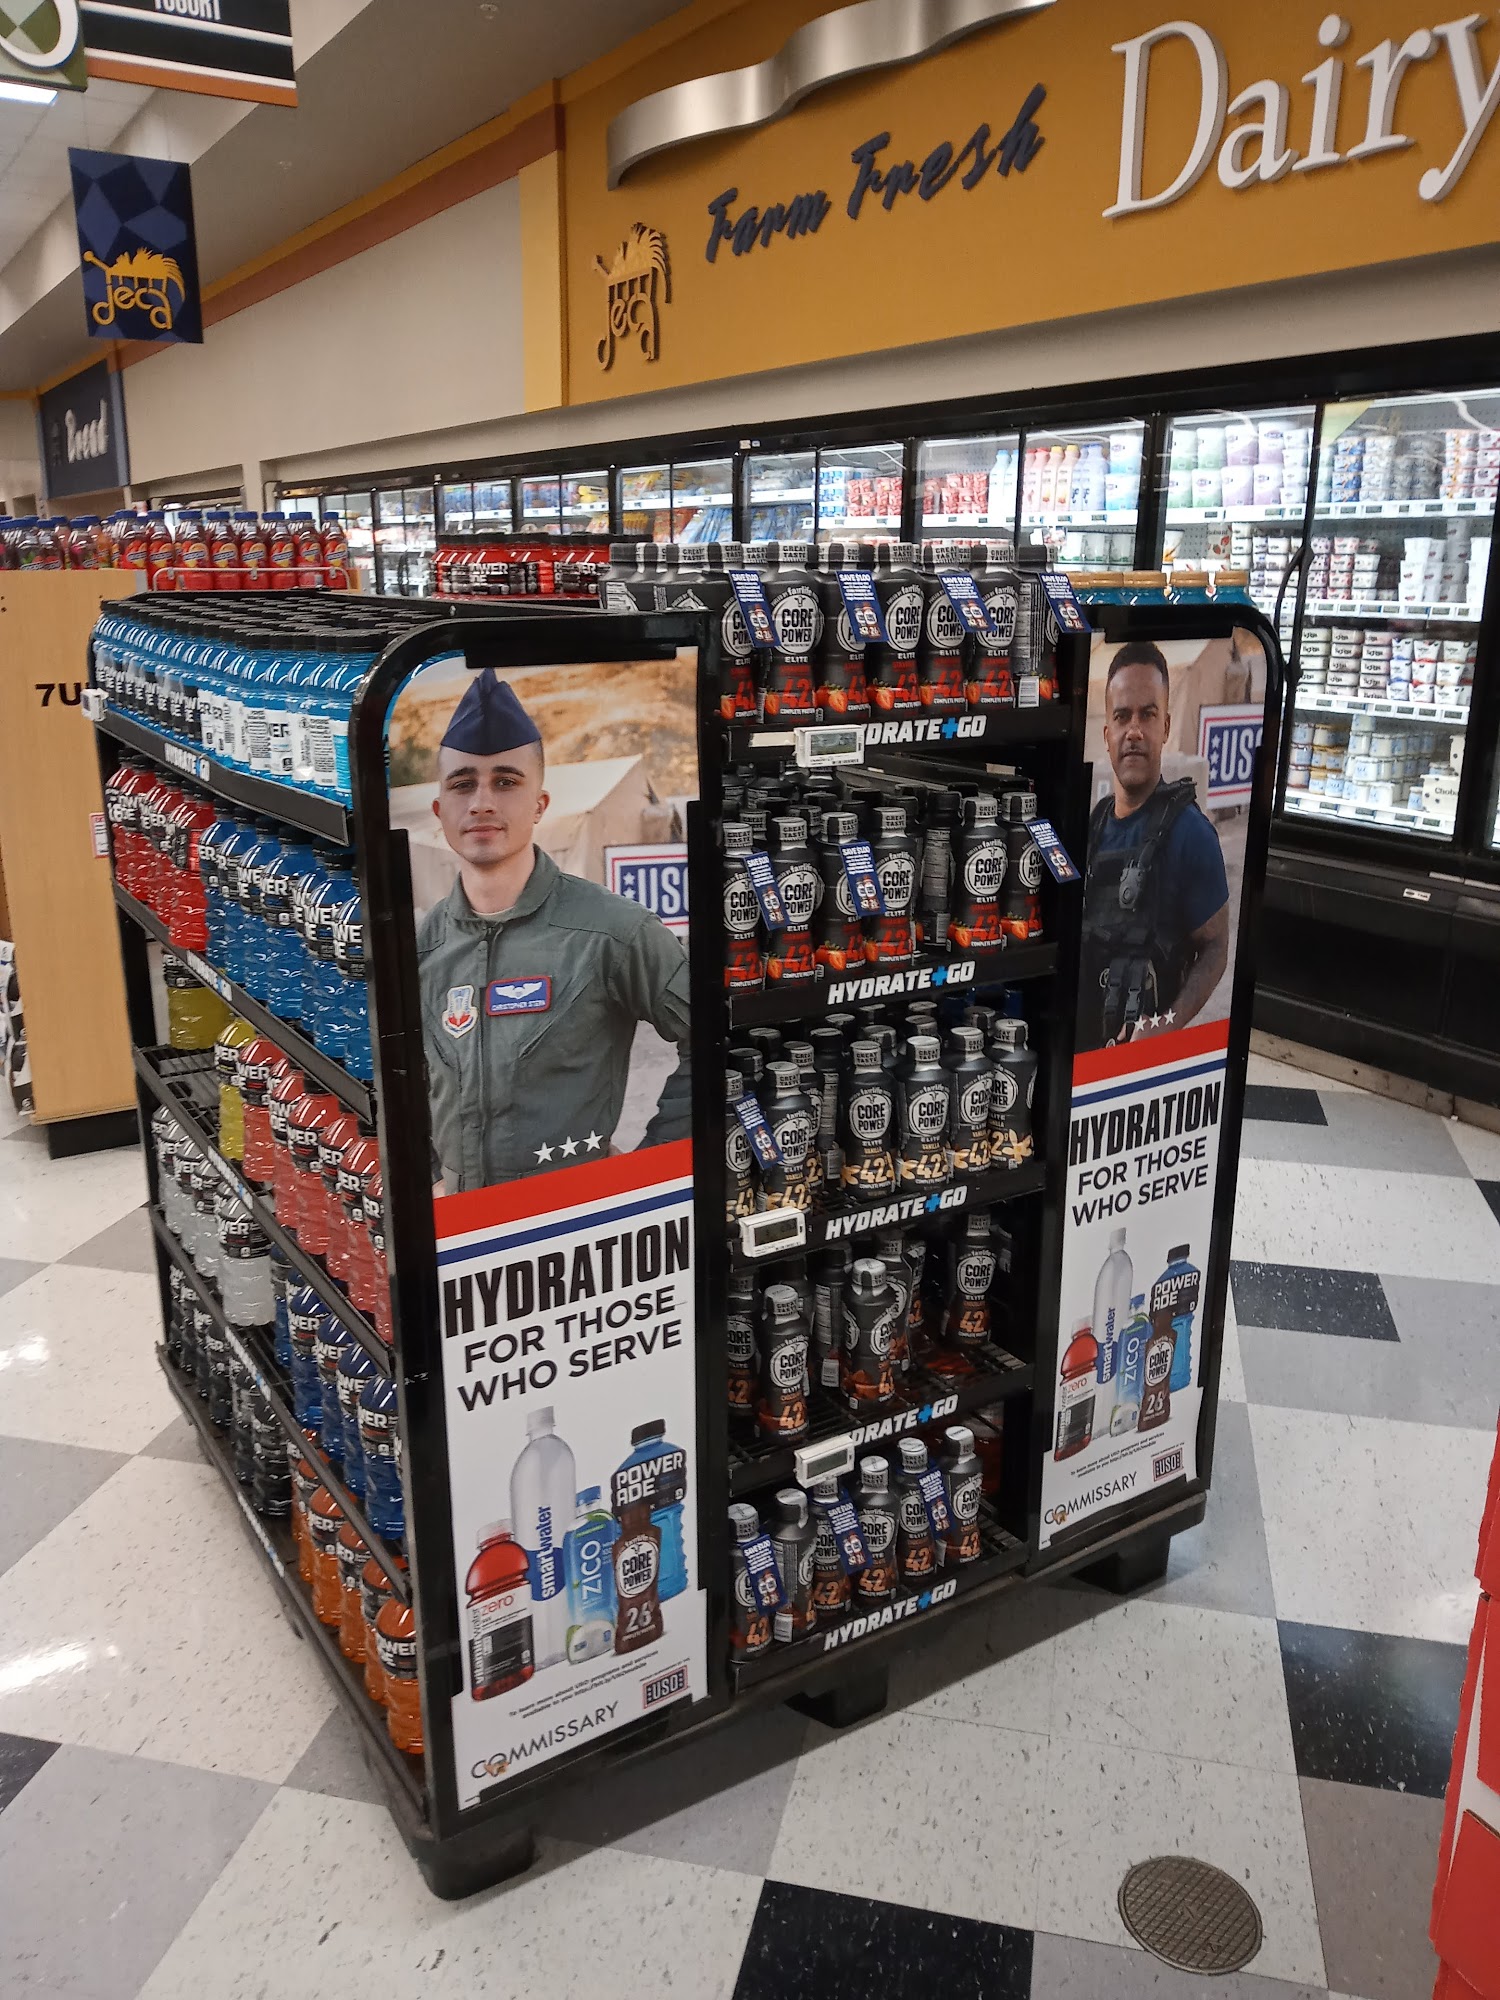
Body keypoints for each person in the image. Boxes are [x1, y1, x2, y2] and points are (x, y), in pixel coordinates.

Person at [417, 669, 692, 1192]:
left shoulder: (612, 931)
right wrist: (428, 1177)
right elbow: (404, 1078)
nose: (481, 802)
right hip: (458, 1223)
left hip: (572, 1220)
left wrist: (647, 1172)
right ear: (439, 810)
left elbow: (716, 1039)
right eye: (462, 784)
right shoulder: (422, 945)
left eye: (506, 782)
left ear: (540, 804)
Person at [1078, 640, 1229, 1050]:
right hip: (1084, 1052)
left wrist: (1166, 1026)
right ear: (1107, 734)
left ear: (1165, 727)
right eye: (1122, 716)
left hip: (1144, 1063)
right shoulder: (1091, 826)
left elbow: (1216, 946)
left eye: (1148, 714)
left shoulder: (1191, 834)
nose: (1134, 731)